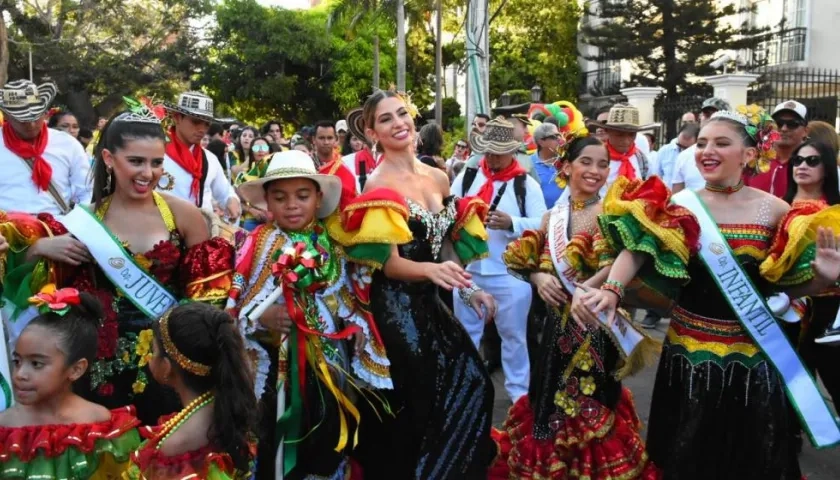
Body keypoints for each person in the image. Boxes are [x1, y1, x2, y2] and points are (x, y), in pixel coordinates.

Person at [575, 105, 840, 479]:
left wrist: (821, 279)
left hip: (753, 360)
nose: (706, 151)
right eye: (701, 143)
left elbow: (785, 286)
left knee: (750, 460)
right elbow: (637, 249)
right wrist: (612, 290)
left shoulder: (776, 211)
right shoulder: (679, 205)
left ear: (749, 155)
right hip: (689, 356)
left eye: (721, 143)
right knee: (689, 456)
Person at [3, 100, 237, 425]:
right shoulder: (84, 221)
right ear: (110, 160)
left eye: (157, 163)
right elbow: (18, 263)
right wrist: (40, 247)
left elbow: (208, 296)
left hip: (168, 364)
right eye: (136, 161)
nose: (148, 173)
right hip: (100, 367)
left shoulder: (183, 214)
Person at [329, 89, 497, 478]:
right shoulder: (378, 185)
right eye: (385, 119)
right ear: (372, 132)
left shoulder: (438, 175)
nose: (398, 123)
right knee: (420, 404)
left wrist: (469, 289)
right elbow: (390, 266)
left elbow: (449, 244)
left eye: (401, 114)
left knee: (474, 385)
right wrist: (432, 273)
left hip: (432, 303)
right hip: (397, 309)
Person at [489, 133, 659, 480]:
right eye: (586, 162)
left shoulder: (612, 213)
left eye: (602, 164)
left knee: (591, 404)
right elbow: (531, 260)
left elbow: (623, 262)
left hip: (594, 327)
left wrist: (589, 287)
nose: (595, 170)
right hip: (554, 329)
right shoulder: (552, 217)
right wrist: (538, 278)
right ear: (566, 166)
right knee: (549, 401)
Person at [228, 150, 391, 479]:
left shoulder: (331, 243)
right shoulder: (258, 242)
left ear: (318, 199)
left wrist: (353, 323)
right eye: (280, 197)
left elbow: (344, 293)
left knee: (329, 427)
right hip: (279, 362)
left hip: (330, 360)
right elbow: (239, 301)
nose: (291, 205)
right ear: (268, 203)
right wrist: (263, 318)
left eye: (302, 196)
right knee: (278, 428)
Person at [0, 287, 141, 478]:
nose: (20, 374)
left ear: (76, 369)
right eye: (17, 361)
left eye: (36, 364)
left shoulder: (101, 426)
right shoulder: (5, 427)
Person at [452, 117, 547, 402]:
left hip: (510, 274)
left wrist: (511, 223)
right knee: (466, 337)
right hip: (469, 272)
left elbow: (543, 223)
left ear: (512, 151)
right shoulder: (468, 177)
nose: (492, 157)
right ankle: (465, 394)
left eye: (498, 151)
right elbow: (447, 209)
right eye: (488, 151)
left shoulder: (525, 184)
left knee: (514, 337)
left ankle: (520, 398)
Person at [124, 303, 257, 479]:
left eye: (153, 351)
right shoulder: (226, 405)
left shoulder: (175, 446)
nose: (149, 357)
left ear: (166, 368)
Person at [780, 141, 840, 357]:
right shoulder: (777, 209)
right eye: (797, 160)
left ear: (827, 170)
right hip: (780, 309)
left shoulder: (835, 214)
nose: (802, 166)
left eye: (812, 161)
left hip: (827, 310)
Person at [0, 79, 91, 215]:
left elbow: (87, 191)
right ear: (7, 116)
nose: (31, 125)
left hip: (59, 228)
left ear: (45, 112)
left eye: (36, 117)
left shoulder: (68, 144)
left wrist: (75, 226)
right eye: (23, 120)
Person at [162, 91, 240, 218]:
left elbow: (225, 192)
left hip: (201, 231)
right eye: (196, 121)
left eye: (207, 124)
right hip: (161, 230)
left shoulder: (209, 159)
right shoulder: (156, 153)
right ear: (177, 118)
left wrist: (231, 200)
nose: (202, 129)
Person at [585, 103, 654, 196]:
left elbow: (649, 188)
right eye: (619, 135)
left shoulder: (641, 159)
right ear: (607, 131)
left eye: (631, 135)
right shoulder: (594, 157)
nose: (626, 141)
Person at [744, 100, 809, 197]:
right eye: (778, 123)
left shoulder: (811, 164)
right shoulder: (753, 161)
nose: (784, 129)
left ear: (805, 131)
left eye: (792, 124)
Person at [671, 97, 731, 194]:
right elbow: (675, 199)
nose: (711, 120)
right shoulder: (684, 156)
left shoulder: (736, 154)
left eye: (717, 116)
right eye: (707, 115)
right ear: (700, 117)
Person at [235, 137, 274, 232]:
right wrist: (251, 210)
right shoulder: (243, 176)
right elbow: (236, 201)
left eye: (264, 147)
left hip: (276, 220)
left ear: (269, 150)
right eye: (256, 148)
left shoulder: (277, 173)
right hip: (252, 220)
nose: (260, 150)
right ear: (251, 151)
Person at [654, 122, 699, 190]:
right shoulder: (664, 151)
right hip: (666, 197)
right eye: (679, 146)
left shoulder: (700, 156)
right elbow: (656, 176)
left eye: (687, 148)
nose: (682, 150)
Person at [531, 122, 564, 208]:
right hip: (541, 217)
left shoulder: (566, 160)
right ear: (541, 142)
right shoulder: (528, 163)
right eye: (554, 137)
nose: (559, 139)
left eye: (559, 135)